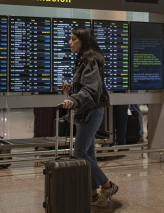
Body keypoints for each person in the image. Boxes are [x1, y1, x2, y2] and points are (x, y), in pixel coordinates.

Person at [61, 27, 118, 207]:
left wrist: (73, 99)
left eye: (73, 39)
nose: (70, 42)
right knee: (89, 153)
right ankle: (93, 194)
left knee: (79, 153)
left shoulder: (90, 60)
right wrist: (71, 90)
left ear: (82, 41)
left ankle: (107, 186)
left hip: (91, 111)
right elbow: (85, 87)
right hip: (86, 111)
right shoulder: (83, 60)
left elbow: (91, 90)